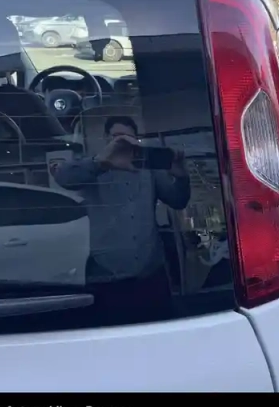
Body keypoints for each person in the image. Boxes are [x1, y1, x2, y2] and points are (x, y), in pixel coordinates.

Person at [53, 115, 191, 318]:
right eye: (117, 137)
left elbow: (178, 201)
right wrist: (100, 163)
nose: (123, 143)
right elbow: (63, 178)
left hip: (151, 272)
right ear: (105, 139)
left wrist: (181, 177)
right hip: (107, 275)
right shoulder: (90, 167)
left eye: (128, 138)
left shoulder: (148, 169)